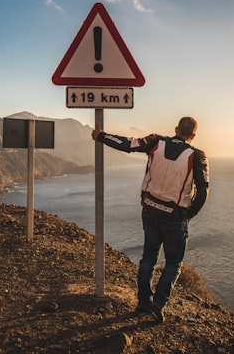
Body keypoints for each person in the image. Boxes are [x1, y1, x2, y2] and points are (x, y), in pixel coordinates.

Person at [91, 117, 209, 323]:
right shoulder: (197, 156)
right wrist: (189, 215)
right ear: (193, 135)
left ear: (175, 129)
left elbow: (127, 144)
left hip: (151, 210)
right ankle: (158, 305)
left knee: (148, 258)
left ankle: (143, 302)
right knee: (173, 263)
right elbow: (203, 192)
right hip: (175, 216)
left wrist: (101, 136)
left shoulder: (156, 142)